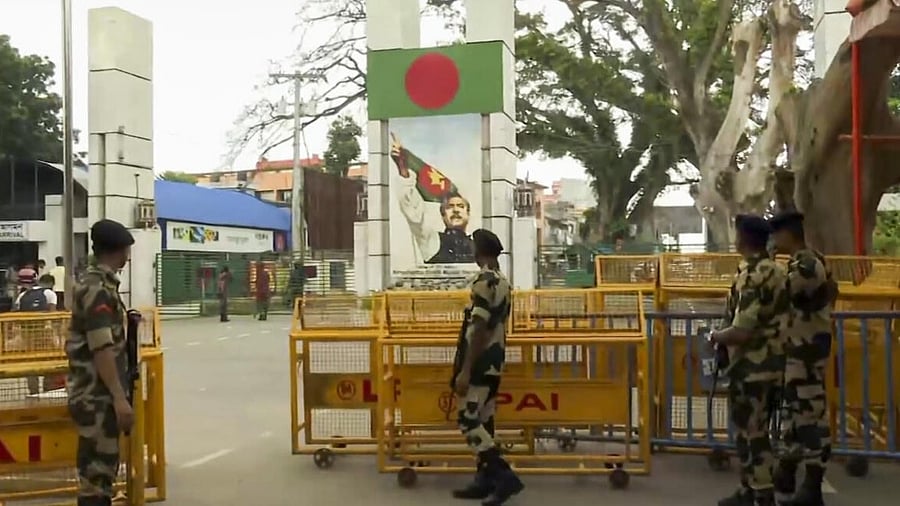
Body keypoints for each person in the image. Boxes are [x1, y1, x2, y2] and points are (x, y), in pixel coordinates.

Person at [711, 215, 789, 506]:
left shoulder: (753, 275)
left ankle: (762, 493)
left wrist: (716, 337)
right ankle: (749, 489)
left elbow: (742, 330)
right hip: (773, 364)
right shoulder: (777, 271)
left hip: (753, 367)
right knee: (755, 430)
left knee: (752, 433)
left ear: (742, 238)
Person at [66, 219, 135, 506]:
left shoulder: (98, 283)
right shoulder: (97, 289)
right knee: (96, 480)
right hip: (97, 397)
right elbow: (102, 347)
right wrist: (120, 399)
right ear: (119, 251)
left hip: (97, 394)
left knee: (100, 476)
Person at [451, 229, 522, 506]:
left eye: (472, 244)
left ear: (479, 250)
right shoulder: (502, 281)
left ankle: (504, 477)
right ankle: (486, 480)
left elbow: (479, 327)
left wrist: (466, 370)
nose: (470, 248)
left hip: (481, 362)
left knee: (468, 419)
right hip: (495, 360)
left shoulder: (484, 281)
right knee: (485, 419)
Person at [769, 211, 836, 506]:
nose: (774, 239)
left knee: (810, 417)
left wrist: (766, 265)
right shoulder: (800, 262)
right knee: (795, 414)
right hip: (797, 348)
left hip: (807, 349)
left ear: (789, 234)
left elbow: (776, 295)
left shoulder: (807, 265)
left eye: (777, 233)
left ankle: (813, 485)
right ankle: (787, 470)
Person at [390, 132, 474, 264]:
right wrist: (403, 169)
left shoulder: (478, 246)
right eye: (450, 207)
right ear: (443, 215)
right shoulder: (432, 241)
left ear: (468, 214)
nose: (456, 210)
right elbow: (413, 212)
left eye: (461, 206)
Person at [17, 273, 59, 395]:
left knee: (31, 364)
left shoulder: (23, 295)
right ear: (51, 284)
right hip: (45, 332)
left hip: (27, 334)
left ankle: (33, 392)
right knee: (50, 361)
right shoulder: (50, 294)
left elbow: (17, 314)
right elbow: (53, 313)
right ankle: (48, 389)